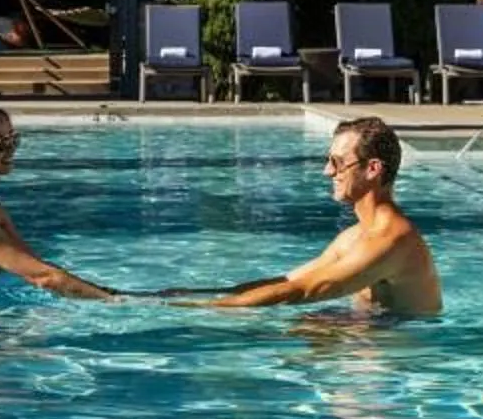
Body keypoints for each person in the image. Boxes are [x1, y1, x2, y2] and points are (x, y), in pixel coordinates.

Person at [185, 114, 442, 317]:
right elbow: (290, 280)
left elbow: (306, 290)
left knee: (286, 335)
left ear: (372, 169)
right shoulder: (354, 236)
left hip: (400, 348)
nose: (327, 172)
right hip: (373, 330)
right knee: (304, 326)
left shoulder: (390, 240)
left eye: (338, 163)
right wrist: (191, 295)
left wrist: (206, 309)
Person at [0, 100, 118, 307]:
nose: (11, 150)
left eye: (14, 140)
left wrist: (107, 293)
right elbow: (43, 278)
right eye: (2, 144)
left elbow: (35, 266)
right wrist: (116, 302)